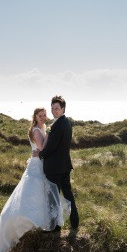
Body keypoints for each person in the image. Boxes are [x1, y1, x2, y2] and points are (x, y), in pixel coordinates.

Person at [0, 107, 71, 252]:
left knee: (41, 194)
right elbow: (42, 148)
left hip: (41, 163)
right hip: (37, 165)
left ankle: (41, 223)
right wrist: (49, 134)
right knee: (32, 193)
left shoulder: (42, 127)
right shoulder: (37, 130)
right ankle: (26, 222)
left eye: (44, 115)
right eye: (40, 115)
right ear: (35, 117)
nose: (43, 117)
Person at [32, 95, 79, 235]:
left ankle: (54, 228)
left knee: (53, 197)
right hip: (65, 165)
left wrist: (39, 155)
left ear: (63, 109)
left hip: (55, 167)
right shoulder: (67, 123)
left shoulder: (57, 125)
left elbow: (51, 147)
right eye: (52, 108)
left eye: (57, 108)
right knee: (68, 194)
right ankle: (75, 223)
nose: (54, 111)